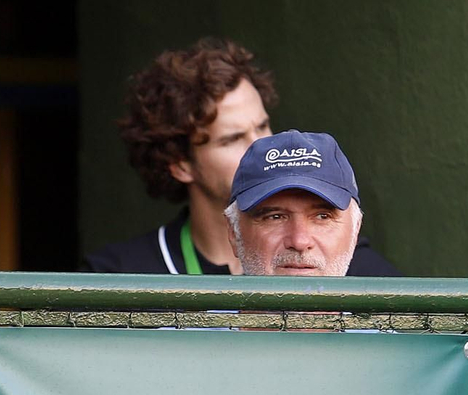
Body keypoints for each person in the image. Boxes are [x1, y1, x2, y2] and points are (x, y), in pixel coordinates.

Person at [82, 39, 398, 277]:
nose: (260, 146)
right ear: (180, 164)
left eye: (262, 125)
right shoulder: (120, 276)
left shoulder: (362, 274)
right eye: (232, 139)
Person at [224, 130, 365, 278]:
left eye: (323, 216)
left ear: (355, 230)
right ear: (234, 233)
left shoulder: (387, 297)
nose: (299, 242)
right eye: (275, 217)